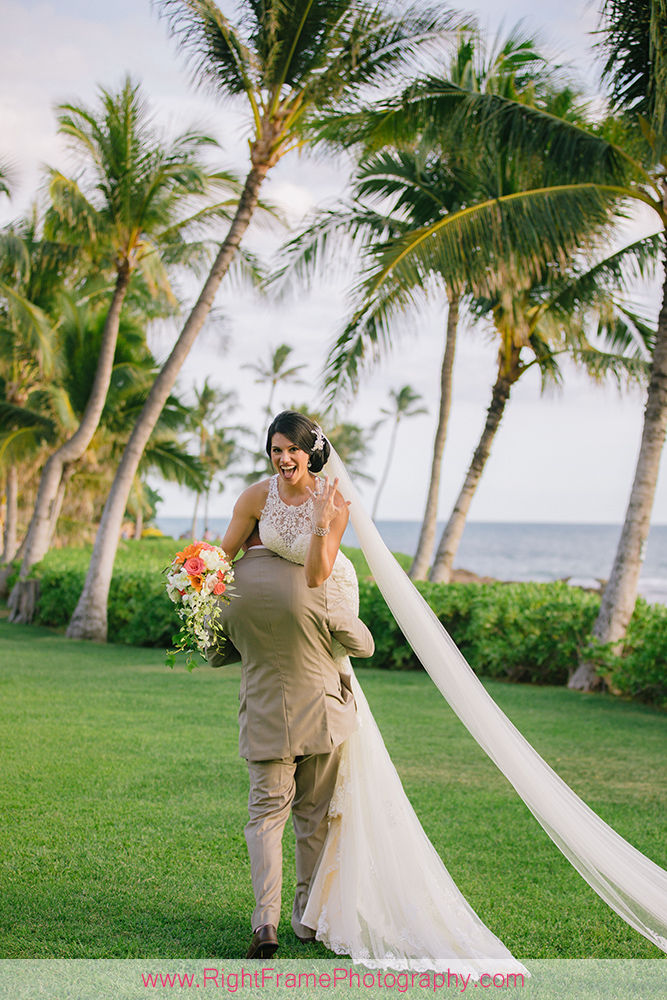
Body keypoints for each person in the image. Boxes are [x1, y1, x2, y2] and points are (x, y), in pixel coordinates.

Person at [208, 524, 375, 959]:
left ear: (245, 537)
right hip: (322, 718)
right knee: (312, 819)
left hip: (264, 720)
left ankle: (266, 920)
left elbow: (214, 655)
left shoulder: (223, 587)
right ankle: (306, 919)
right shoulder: (313, 577)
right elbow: (363, 644)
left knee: (264, 819)